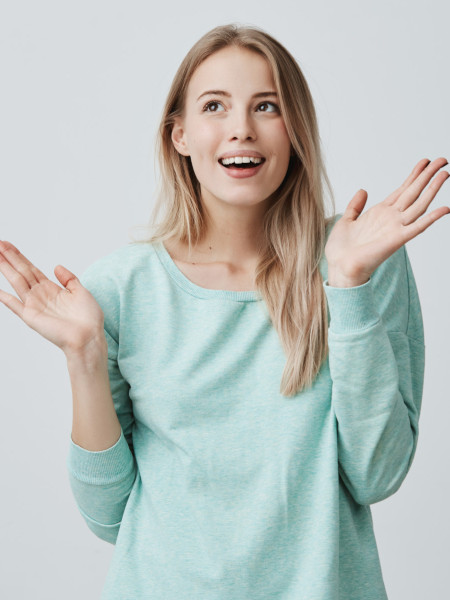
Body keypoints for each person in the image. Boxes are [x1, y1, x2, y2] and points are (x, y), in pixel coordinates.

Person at [0, 22, 448, 600]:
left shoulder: (358, 258)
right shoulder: (118, 290)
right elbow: (109, 518)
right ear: (180, 135)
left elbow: (376, 475)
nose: (241, 129)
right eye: (216, 106)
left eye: (267, 105)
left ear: (296, 131)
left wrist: (349, 287)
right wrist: (83, 355)